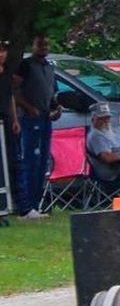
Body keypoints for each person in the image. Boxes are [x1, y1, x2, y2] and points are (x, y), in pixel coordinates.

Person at [13, 34, 59, 220]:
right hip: (29, 119)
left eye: (46, 44)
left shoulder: (50, 67)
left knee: (42, 163)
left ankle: (36, 204)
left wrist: (57, 108)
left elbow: (52, 93)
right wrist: (28, 107)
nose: (43, 47)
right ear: (33, 46)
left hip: (46, 118)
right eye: (40, 44)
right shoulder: (25, 65)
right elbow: (14, 91)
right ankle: (26, 206)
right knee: (29, 161)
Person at [0, 40, 20, 222]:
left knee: (12, 158)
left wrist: (15, 119)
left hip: (6, 120)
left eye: (3, 51)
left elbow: (11, 97)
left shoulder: (6, 74)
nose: (2, 55)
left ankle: (12, 201)